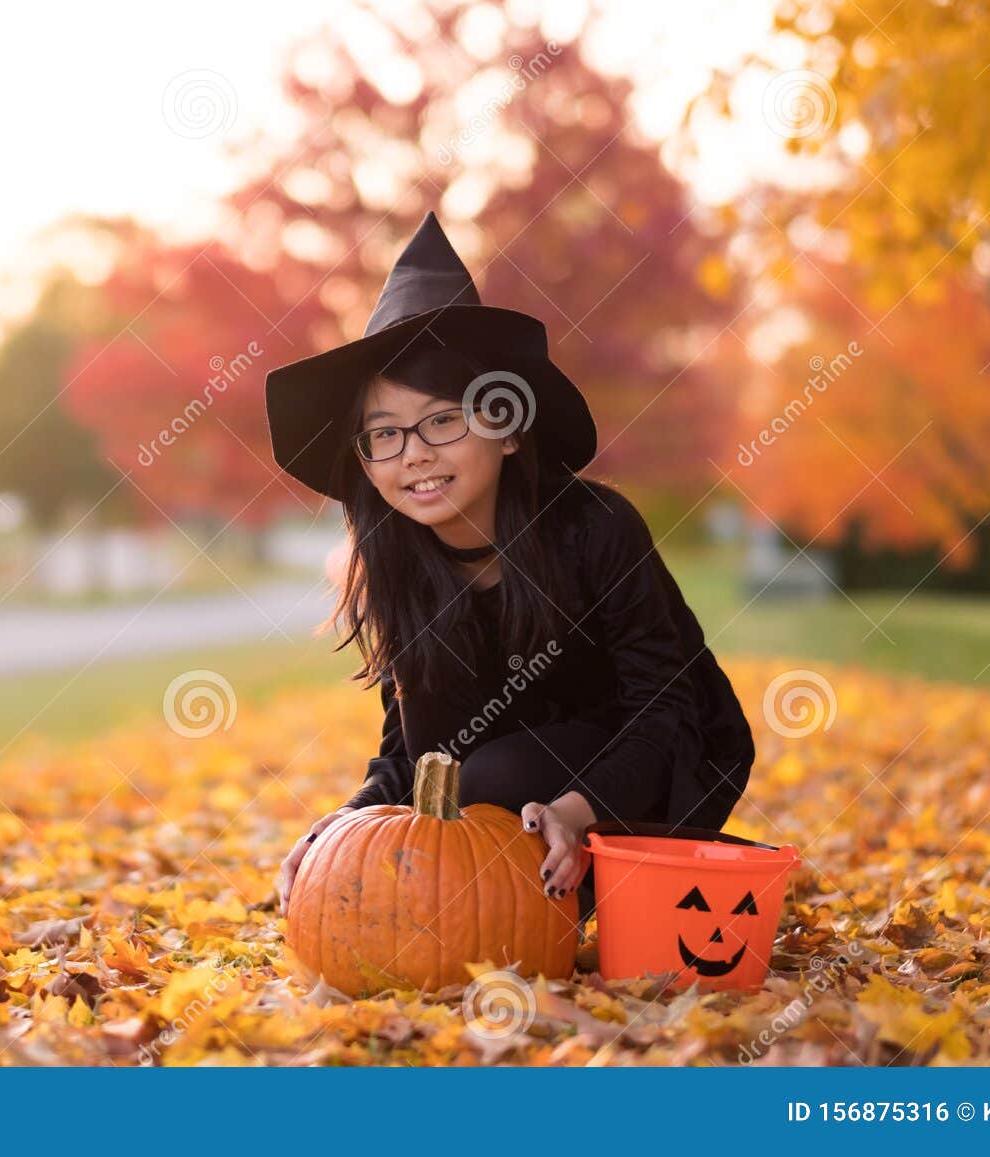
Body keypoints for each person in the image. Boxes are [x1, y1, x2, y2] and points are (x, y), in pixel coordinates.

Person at [264, 211, 755, 927]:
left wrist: (575, 810)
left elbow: (664, 706)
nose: (414, 454)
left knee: (483, 784)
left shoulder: (595, 530)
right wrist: (338, 828)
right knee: (460, 804)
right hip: (505, 787)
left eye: (442, 420)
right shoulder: (398, 559)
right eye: (384, 434)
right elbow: (412, 752)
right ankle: (560, 889)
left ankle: (653, 861)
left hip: (660, 755)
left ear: (510, 429)